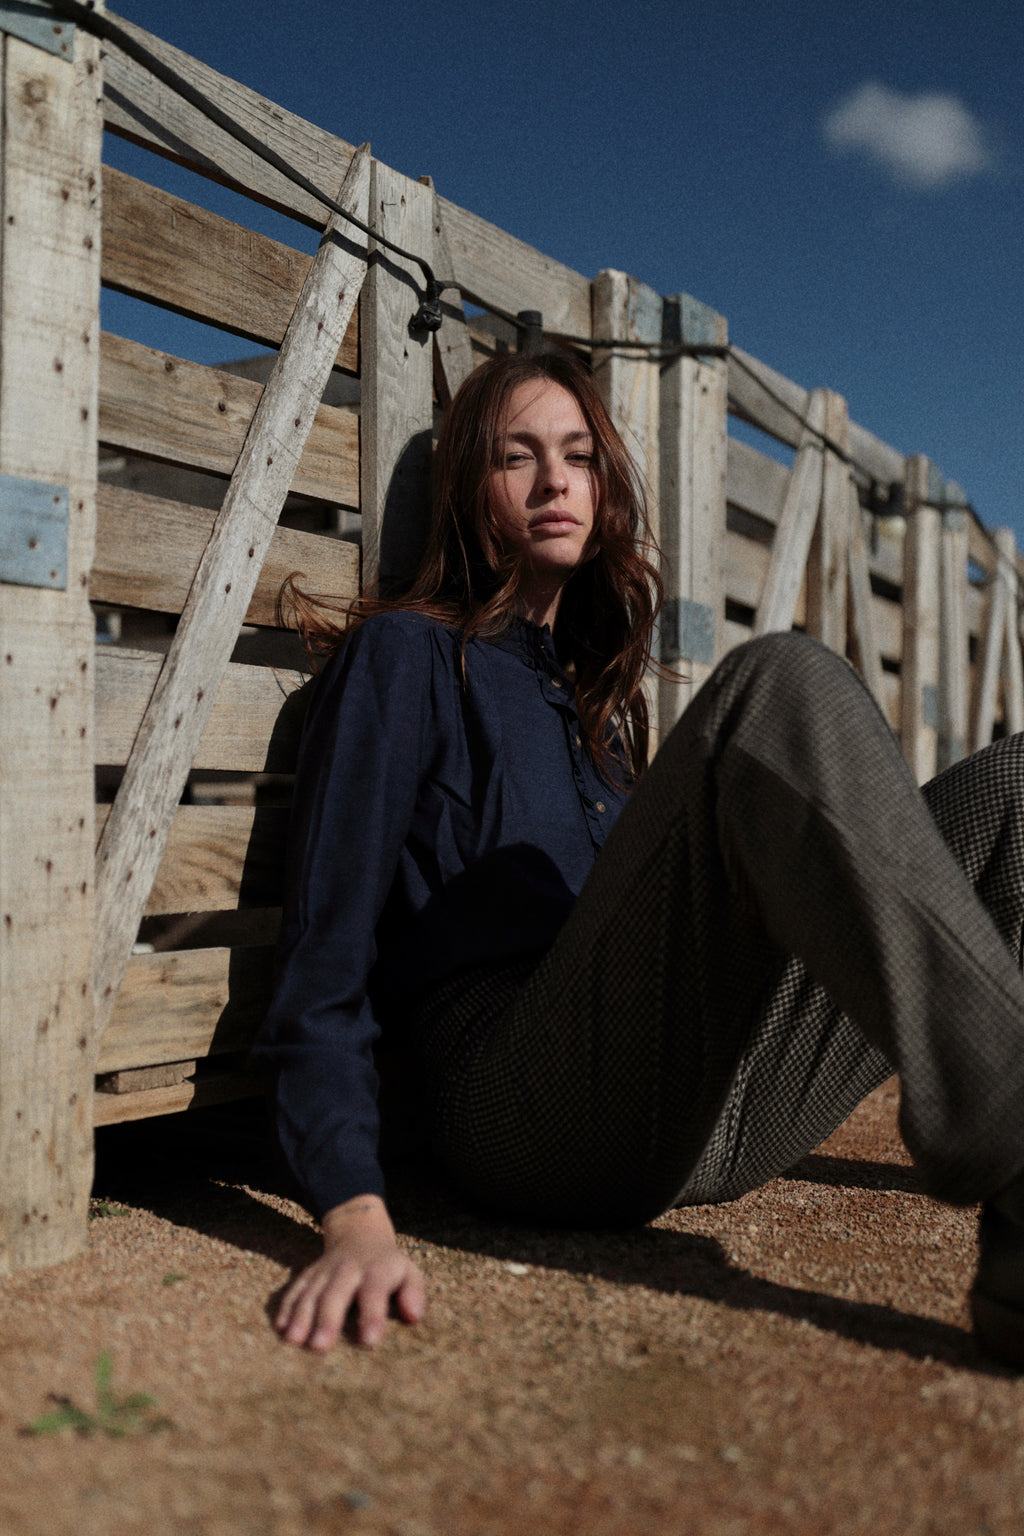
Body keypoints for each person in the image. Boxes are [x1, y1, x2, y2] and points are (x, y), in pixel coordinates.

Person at [255, 347, 1024, 1364]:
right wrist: (354, 1217)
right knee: (778, 681)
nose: (554, 481)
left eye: (578, 456)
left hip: (702, 1118)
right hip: (519, 1104)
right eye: (516, 457)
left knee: (1017, 788)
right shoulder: (407, 657)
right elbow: (323, 961)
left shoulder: (598, 713)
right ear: (469, 489)